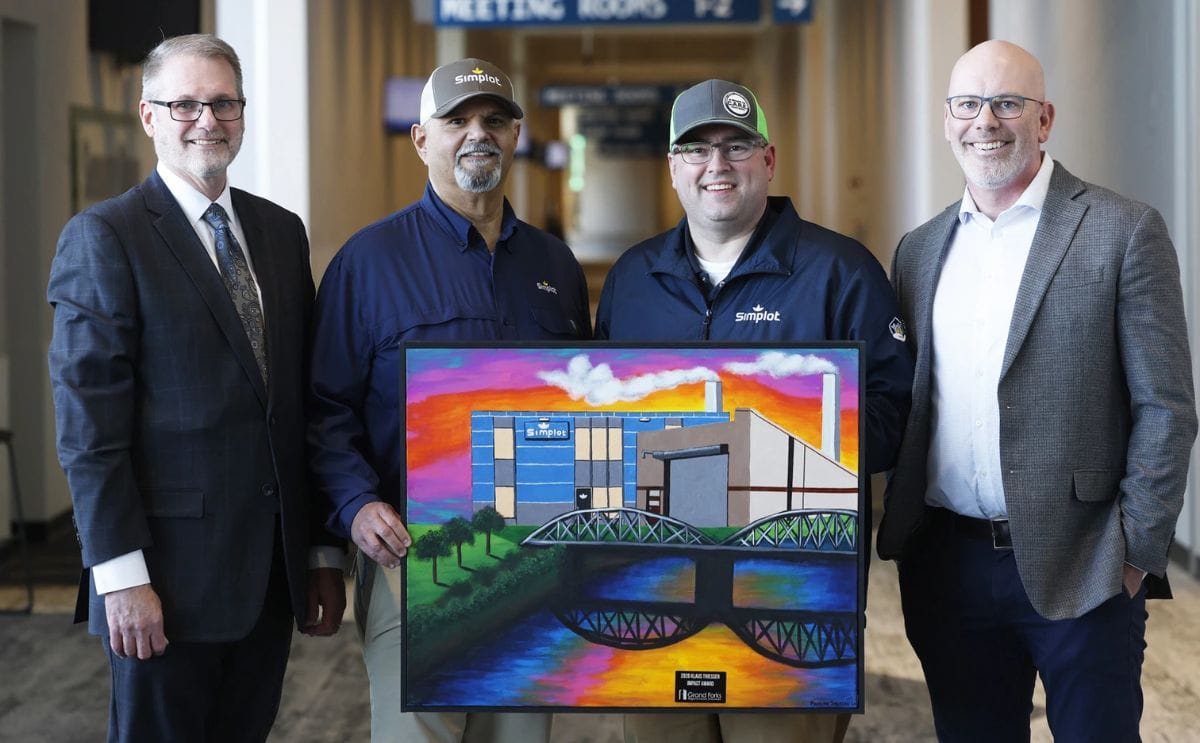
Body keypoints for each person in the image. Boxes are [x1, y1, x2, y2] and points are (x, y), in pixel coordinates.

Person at [876, 40, 1198, 741]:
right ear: (947, 120)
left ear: (1044, 119)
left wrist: (1135, 552)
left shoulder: (1122, 230)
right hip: (950, 565)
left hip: (1084, 563)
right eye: (967, 104)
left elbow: (1167, 407)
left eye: (1007, 103)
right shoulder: (919, 250)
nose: (984, 122)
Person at [47, 34, 346, 743]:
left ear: (241, 112)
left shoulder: (280, 233)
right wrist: (120, 576)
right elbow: (88, 430)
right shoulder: (105, 237)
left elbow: (300, 403)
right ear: (149, 116)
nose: (206, 120)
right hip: (164, 585)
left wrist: (319, 552)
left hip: (269, 579)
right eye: (185, 104)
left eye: (222, 103)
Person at [595, 79, 913, 743]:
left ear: (768, 160)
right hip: (655, 591)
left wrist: (797, 431)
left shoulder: (840, 272)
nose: (717, 165)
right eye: (697, 149)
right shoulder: (632, 279)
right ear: (673, 167)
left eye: (736, 145)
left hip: (792, 596)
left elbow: (897, 417)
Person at [307, 58, 591, 742]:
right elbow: (324, 408)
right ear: (421, 140)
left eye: (494, 120)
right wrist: (354, 505)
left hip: (535, 555)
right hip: (412, 551)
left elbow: (585, 405)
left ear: (517, 135)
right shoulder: (368, 263)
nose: (477, 134)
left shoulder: (556, 268)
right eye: (457, 120)